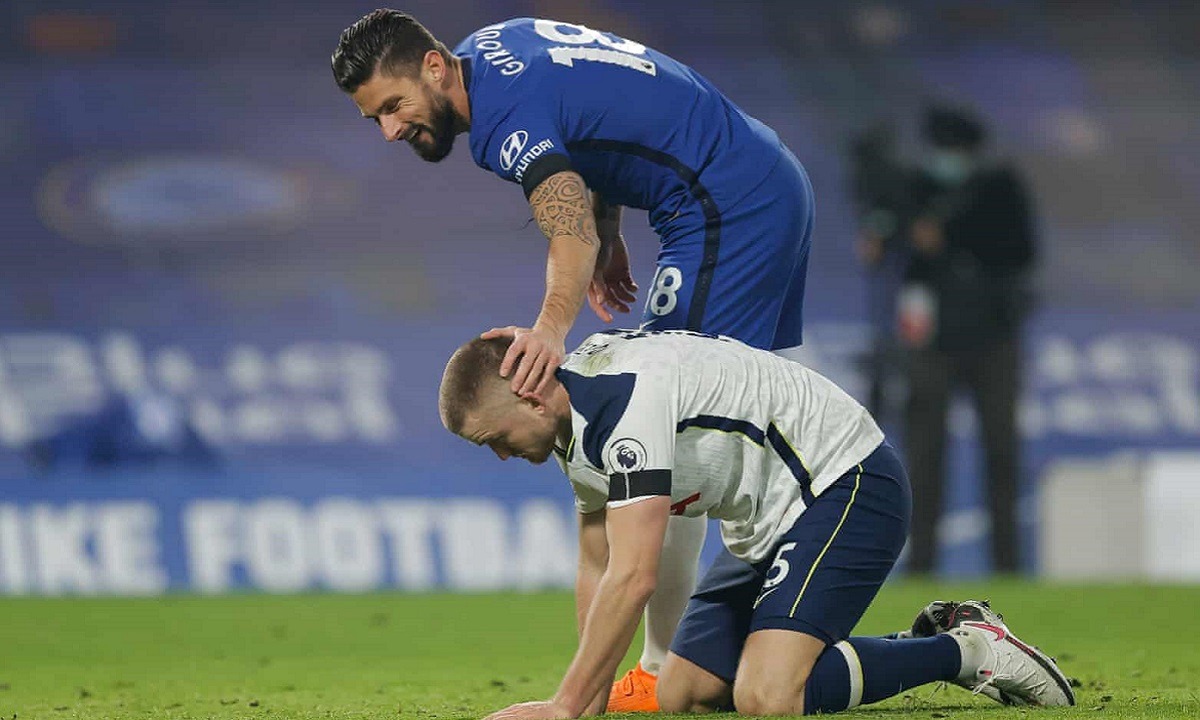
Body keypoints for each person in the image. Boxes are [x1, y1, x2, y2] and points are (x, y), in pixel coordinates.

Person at [333, 11, 815, 710]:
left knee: (671, 433)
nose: (389, 130)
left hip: (725, 207)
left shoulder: (502, 121)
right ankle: (759, 629)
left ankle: (663, 667)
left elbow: (567, 225)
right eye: (375, 117)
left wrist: (550, 328)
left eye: (393, 105)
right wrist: (612, 222)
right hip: (757, 181)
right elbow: (603, 112)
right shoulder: (492, 47)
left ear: (433, 68)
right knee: (724, 425)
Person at [438, 329, 1074, 718]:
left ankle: (965, 651)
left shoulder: (623, 406)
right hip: (766, 521)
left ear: (530, 396)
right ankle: (907, 644)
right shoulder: (572, 421)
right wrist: (589, 701)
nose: (501, 455)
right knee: (683, 693)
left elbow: (632, 577)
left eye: (495, 439)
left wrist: (564, 707)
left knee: (767, 698)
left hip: (845, 482)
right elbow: (597, 560)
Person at [900, 107, 1037, 575]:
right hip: (931, 341)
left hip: (994, 337)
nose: (946, 158)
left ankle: (1008, 566)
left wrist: (951, 237)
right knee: (924, 455)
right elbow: (895, 256)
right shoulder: (914, 188)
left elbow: (1022, 251)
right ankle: (921, 564)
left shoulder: (999, 189)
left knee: (1001, 452)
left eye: (953, 149)